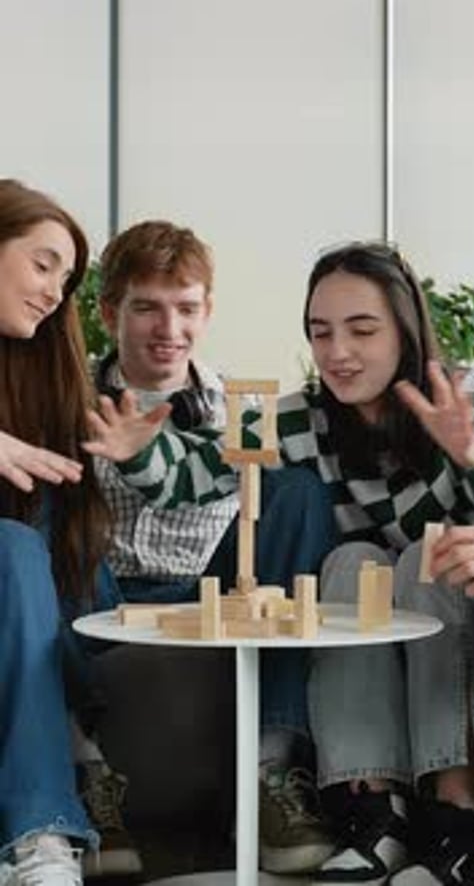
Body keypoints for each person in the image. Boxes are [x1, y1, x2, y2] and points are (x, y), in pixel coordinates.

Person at [85, 241, 474, 884]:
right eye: (320, 332)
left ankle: (456, 804)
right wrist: (141, 454)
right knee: (350, 561)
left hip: (460, 608)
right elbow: (202, 472)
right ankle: (372, 807)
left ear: (406, 330)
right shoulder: (307, 420)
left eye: (362, 330)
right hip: (368, 614)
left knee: (427, 552)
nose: (338, 352)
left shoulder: (462, 396)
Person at [86, 219, 337, 875]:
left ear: (207, 310)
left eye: (186, 307)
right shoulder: (69, 393)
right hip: (98, 589)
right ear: (111, 310)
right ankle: (86, 784)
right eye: (147, 307)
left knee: (295, 490)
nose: (169, 328)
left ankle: (271, 770)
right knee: (52, 522)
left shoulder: (241, 407)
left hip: (207, 591)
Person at [0, 178, 118, 886]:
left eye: (65, 278)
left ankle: (74, 749)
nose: (53, 291)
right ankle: (41, 829)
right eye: (41, 263)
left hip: (23, 596)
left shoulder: (42, 367)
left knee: (61, 525)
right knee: (20, 544)